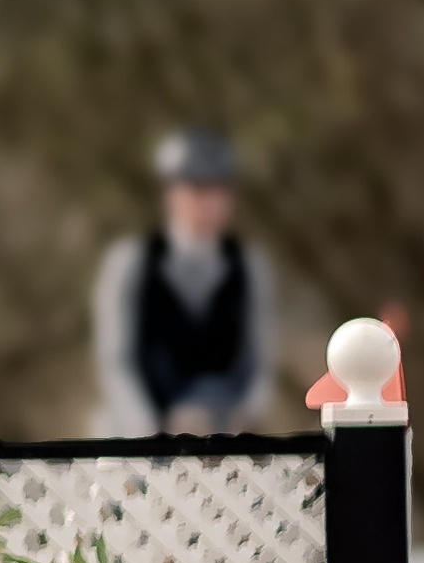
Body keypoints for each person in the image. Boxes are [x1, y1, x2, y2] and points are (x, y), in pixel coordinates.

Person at [88, 127, 280, 437]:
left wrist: (242, 418)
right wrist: (154, 427)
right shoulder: (129, 262)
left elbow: (260, 366)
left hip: (223, 434)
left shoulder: (250, 266)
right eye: (196, 188)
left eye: (218, 189)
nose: (209, 201)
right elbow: (115, 362)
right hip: (138, 434)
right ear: (169, 193)